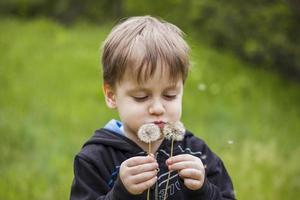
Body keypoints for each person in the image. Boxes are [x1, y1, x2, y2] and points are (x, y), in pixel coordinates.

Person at [70, 16, 235, 200]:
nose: (157, 108)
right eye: (141, 97)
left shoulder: (197, 153)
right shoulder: (95, 160)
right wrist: (120, 194)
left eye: (169, 95)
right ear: (111, 95)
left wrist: (204, 190)